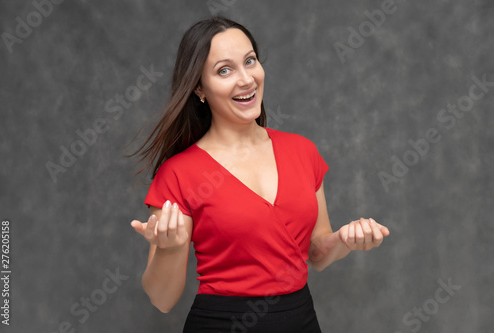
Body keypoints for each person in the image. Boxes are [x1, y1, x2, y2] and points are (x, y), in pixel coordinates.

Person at [129, 16, 390, 332]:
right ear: (199, 87)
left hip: (301, 321)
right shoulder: (179, 174)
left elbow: (315, 254)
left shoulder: (302, 151)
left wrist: (346, 240)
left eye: (250, 61)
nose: (246, 79)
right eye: (225, 70)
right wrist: (169, 249)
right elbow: (162, 299)